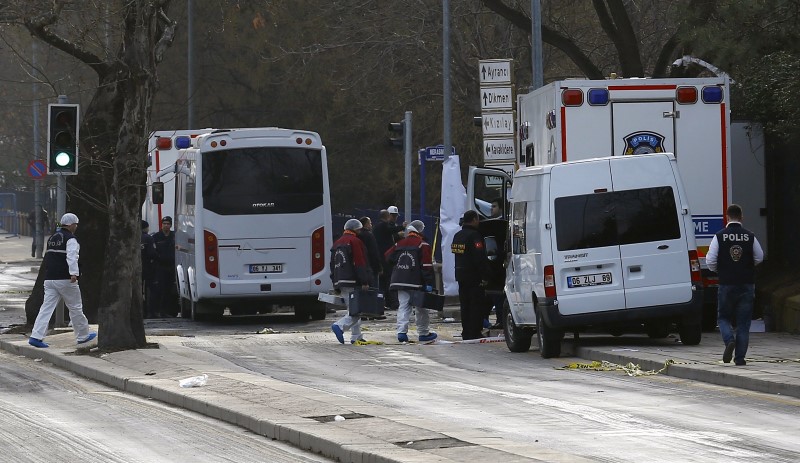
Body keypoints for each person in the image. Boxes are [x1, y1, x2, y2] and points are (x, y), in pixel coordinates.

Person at [706, 204, 764, 366]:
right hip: (746, 283)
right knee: (743, 323)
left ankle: (729, 340)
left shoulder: (719, 236)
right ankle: (740, 359)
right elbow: (759, 257)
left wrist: (722, 269)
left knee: (723, 318)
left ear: (727, 217)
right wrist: (746, 265)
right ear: (741, 218)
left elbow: (710, 261)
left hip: (726, 283)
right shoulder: (750, 236)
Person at [28, 213, 96, 348]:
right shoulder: (71, 239)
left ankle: (36, 336)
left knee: (46, 308)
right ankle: (82, 335)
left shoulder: (52, 238)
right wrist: (74, 274)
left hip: (49, 278)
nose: (76, 227)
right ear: (71, 225)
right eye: (75, 224)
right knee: (75, 307)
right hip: (65, 279)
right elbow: (72, 257)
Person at [385, 220, 437, 343]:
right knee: (421, 308)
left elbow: (388, 256)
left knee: (403, 306)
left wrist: (399, 265)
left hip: (399, 280)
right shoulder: (423, 245)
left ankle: (401, 333)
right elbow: (426, 265)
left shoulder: (399, 244)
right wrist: (429, 283)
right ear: (420, 231)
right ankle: (423, 333)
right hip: (416, 282)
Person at [330, 219, 372, 344]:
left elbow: (332, 265)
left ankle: (356, 336)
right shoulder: (355, 241)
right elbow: (360, 262)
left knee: (352, 309)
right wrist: (364, 280)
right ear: (357, 229)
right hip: (352, 280)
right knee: (357, 310)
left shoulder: (337, 243)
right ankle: (340, 326)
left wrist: (335, 283)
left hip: (340, 280)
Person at [451, 210, 490, 340]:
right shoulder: (474, 236)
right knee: (476, 305)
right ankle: (474, 331)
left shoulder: (457, 236)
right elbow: (479, 257)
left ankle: (466, 331)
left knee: (465, 304)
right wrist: (485, 275)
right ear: (474, 219)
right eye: (477, 219)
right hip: (474, 276)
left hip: (460, 275)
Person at [373, 206, 405, 310]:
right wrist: (402, 227)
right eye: (393, 216)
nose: (395, 218)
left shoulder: (381, 227)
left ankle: (386, 302)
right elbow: (390, 231)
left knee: (384, 281)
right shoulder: (383, 226)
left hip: (384, 257)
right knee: (387, 281)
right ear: (388, 216)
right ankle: (390, 302)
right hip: (385, 258)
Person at [152, 216, 177, 317]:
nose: (166, 225)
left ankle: (166, 311)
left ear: (171, 225)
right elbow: (153, 252)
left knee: (169, 290)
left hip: (171, 267)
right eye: (164, 224)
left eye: (168, 224)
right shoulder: (156, 237)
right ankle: (157, 311)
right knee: (159, 290)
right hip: (160, 267)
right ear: (161, 225)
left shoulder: (174, 236)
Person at [140, 220, 159, 319]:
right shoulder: (148, 238)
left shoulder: (133, 237)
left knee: (138, 290)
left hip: (136, 269)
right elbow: (152, 253)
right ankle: (151, 312)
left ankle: (140, 311)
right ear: (146, 228)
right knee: (151, 290)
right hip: (148, 268)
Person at [358, 216, 382, 289]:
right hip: (371, 267)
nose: (371, 225)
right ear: (365, 225)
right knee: (373, 290)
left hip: (360, 268)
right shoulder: (369, 235)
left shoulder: (357, 235)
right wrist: (379, 268)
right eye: (370, 223)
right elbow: (374, 252)